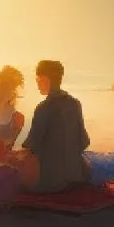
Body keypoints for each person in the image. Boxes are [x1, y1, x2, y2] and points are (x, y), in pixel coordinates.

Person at [21, 59, 90, 193]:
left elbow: (31, 143)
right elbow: (84, 141)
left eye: (38, 80)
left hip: (50, 180)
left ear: (45, 79)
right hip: (77, 176)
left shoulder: (43, 108)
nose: (37, 84)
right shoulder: (75, 104)